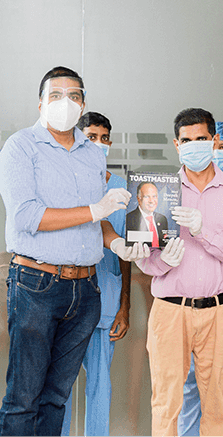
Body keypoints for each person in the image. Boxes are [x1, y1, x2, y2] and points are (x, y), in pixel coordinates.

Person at [0, 66, 146, 436]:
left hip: (85, 290)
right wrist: (95, 211)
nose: (66, 103)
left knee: (56, 398)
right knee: (23, 399)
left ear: (83, 105)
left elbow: (97, 223)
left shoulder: (92, 155)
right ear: (40, 102)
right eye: (56, 95)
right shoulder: (21, 146)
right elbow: (26, 215)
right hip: (36, 284)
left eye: (75, 96)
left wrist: (117, 243)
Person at [136, 108, 223, 436]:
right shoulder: (161, 191)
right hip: (171, 312)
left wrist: (205, 232)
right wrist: (163, 262)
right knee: (166, 402)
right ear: (176, 145)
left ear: (214, 140)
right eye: (186, 140)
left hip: (220, 310)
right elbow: (146, 260)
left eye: (201, 139)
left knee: (218, 402)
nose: (193, 146)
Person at [60, 112, 133, 437]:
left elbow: (127, 254)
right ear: (77, 138)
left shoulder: (120, 190)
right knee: (58, 389)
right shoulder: (66, 183)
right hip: (64, 302)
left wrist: (125, 306)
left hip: (106, 301)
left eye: (104, 139)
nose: (99, 144)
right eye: (91, 137)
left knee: (100, 389)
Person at [177, 121, 223, 437]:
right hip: (188, 298)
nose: (216, 153)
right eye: (212, 145)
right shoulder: (178, 189)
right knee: (190, 382)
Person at [126, 182, 169, 248]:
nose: (151, 201)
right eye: (147, 196)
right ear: (138, 199)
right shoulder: (128, 219)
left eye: (154, 196)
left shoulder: (162, 219)